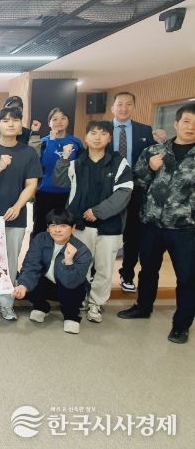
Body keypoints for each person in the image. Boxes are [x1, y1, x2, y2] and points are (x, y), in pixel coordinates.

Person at [118, 102, 195, 344]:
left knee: (187, 277)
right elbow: (137, 181)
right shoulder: (154, 151)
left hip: (185, 227)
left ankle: (181, 325)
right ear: (176, 124)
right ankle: (143, 307)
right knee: (148, 270)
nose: (191, 127)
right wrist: (151, 168)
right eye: (186, 121)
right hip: (151, 222)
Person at [53, 120, 133, 323]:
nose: (98, 137)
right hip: (80, 225)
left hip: (109, 226)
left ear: (109, 138)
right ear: (86, 137)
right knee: (81, 264)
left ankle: (96, 303)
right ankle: (80, 298)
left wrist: (98, 212)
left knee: (104, 268)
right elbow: (59, 182)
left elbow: (124, 193)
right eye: (93, 133)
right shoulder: (76, 162)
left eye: (103, 133)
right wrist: (64, 159)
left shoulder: (119, 163)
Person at [0, 106, 42, 321]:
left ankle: (6, 304)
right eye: (5, 120)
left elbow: (31, 184)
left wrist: (17, 206)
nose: (10, 124)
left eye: (15, 120)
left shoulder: (28, 153)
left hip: (17, 216)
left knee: (11, 261)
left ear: (21, 125)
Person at [12, 209, 92, 334]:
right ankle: (42, 307)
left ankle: (71, 315)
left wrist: (68, 261)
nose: (57, 230)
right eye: (53, 225)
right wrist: (23, 285)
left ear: (73, 228)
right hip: (47, 282)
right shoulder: (41, 238)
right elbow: (31, 265)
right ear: (48, 227)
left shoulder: (83, 251)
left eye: (63, 226)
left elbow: (72, 282)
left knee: (74, 289)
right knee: (26, 283)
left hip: (69, 286)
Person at [110, 92, 156, 293]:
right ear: (113, 107)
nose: (124, 108)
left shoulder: (144, 130)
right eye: (120, 104)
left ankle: (127, 274)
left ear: (133, 107)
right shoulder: (102, 128)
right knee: (103, 232)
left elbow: (152, 157)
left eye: (128, 104)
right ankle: (95, 273)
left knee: (133, 234)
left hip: (135, 189)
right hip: (108, 189)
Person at [31, 108, 84, 238]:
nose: (59, 122)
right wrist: (52, 141)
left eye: (63, 118)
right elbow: (40, 164)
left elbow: (81, 167)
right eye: (54, 119)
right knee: (40, 228)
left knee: (64, 230)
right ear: (49, 123)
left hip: (68, 193)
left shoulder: (76, 142)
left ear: (68, 121)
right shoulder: (43, 142)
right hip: (45, 192)